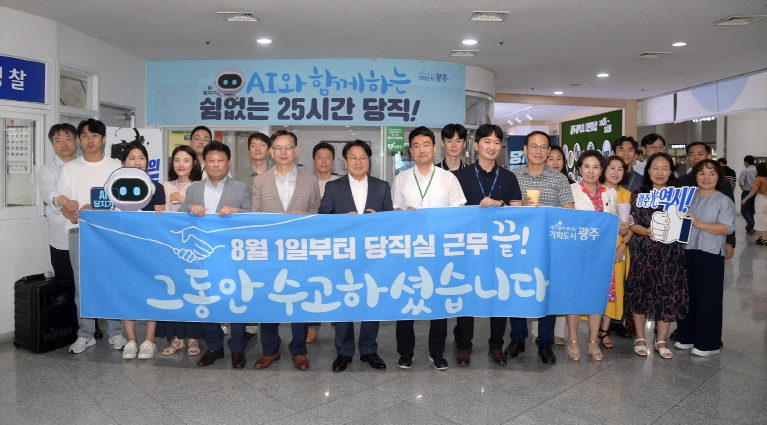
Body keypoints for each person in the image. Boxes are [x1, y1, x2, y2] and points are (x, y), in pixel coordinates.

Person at [391, 126, 466, 370]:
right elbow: (394, 213)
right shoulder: (401, 179)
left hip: (439, 250)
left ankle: (437, 352)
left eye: (426, 145)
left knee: (438, 301)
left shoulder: (448, 178)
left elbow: (458, 216)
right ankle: (405, 352)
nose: (421, 150)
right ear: (410, 150)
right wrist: (403, 214)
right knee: (407, 300)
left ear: (434, 148)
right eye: (416, 145)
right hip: (408, 250)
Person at [319, 140, 392, 372]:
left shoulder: (382, 187)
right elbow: (322, 219)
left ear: (369, 160)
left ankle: (369, 349)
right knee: (343, 302)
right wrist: (342, 221)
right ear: (345, 161)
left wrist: (378, 219)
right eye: (353, 157)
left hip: (373, 257)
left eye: (363, 157)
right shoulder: (333, 187)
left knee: (372, 300)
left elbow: (392, 223)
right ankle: (344, 351)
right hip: (343, 256)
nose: (358, 162)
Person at [55, 118, 127, 354]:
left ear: (103, 139)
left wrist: (98, 210)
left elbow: (122, 201)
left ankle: (116, 332)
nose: (90, 140)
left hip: (109, 233)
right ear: (79, 140)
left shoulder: (116, 166)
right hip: (80, 232)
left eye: (94, 135)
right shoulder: (69, 168)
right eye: (85, 135)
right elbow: (64, 203)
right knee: (82, 286)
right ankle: (85, 334)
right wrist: (71, 214)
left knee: (111, 283)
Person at [453, 124, 522, 367]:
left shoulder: (508, 177)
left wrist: (500, 205)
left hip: (499, 246)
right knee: (466, 293)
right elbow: (452, 213)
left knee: (499, 294)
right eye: (487, 141)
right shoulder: (460, 177)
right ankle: (464, 345)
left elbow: (518, 212)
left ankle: (496, 345)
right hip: (468, 247)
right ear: (476, 145)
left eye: (496, 142)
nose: (492, 147)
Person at [251, 130, 321, 371]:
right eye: (278, 147)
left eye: (288, 147)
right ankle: (270, 349)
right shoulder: (260, 181)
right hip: (268, 252)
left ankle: (299, 350)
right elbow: (255, 216)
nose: (283, 152)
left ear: (296, 151)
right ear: (271, 152)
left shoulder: (310, 180)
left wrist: (306, 216)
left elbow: (317, 213)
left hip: (299, 252)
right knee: (268, 299)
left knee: (298, 299)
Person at [179, 142, 252, 368]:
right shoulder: (194, 189)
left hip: (232, 257)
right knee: (207, 300)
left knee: (235, 303)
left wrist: (237, 211)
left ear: (228, 163)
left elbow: (252, 217)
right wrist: (190, 209)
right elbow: (179, 219)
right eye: (211, 160)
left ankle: (237, 349)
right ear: (204, 163)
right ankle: (214, 347)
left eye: (220, 160)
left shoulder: (240, 188)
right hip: (203, 256)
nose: (216, 164)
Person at [507, 131, 575, 365]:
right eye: (534, 146)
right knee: (517, 289)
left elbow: (570, 213)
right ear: (525, 149)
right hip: (519, 244)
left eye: (543, 147)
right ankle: (517, 338)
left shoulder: (559, 179)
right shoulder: (512, 176)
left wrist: (547, 209)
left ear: (549, 151)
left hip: (549, 246)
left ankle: (545, 342)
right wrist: (519, 206)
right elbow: (503, 211)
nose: (538, 151)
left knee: (547, 291)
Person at [625, 152, 688, 360]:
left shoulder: (679, 195)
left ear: (671, 172)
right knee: (640, 292)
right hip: (644, 251)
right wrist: (646, 231)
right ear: (648, 171)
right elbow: (632, 222)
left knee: (668, 293)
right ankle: (640, 337)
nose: (660, 173)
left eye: (665, 168)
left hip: (672, 253)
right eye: (655, 168)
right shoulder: (638, 194)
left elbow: (685, 222)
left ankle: (661, 339)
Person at [566, 151, 626, 361]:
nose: (591, 171)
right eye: (586, 166)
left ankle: (593, 340)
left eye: (595, 167)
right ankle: (573, 340)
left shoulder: (610, 193)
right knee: (574, 296)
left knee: (597, 297)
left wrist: (623, 228)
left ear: (601, 170)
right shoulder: (571, 191)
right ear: (579, 169)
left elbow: (615, 223)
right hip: (577, 253)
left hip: (602, 254)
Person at [674, 160, 735, 357]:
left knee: (708, 298)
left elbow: (727, 228)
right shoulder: (688, 197)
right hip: (688, 251)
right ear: (695, 176)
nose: (706, 177)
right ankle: (686, 337)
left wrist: (699, 224)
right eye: (701, 173)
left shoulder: (723, 200)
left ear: (719, 177)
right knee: (687, 295)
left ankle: (708, 343)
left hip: (710, 253)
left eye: (711, 173)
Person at [118, 142, 166, 359]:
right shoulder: (115, 187)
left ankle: (149, 339)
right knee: (126, 290)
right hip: (123, 248)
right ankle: (130, 339)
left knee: (150, 290)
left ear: (147, 162)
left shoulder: (157, 188)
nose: (137, 162)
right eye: (132, 158)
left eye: (141, 158)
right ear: (123, 162)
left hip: (149, 248)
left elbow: (159, 221)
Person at [156, 145, 205, 356]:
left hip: (193, 248)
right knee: (173, 291)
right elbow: (161, 217)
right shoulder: (164, 186)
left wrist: (185, 200)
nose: (181, 164)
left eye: (186, 160)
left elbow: (204, 215)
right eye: (177, 160)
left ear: (194, 163)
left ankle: (193, 337)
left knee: (193, 291)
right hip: (170, 247)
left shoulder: (201, 187)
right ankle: (176, 338)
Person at [233, 132, 271, 343]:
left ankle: (269, 324)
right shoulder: (238, 177)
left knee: (268, 282)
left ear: (269, 150)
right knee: (247, 282)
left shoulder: (277, 174)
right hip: (245, 238)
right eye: (253, 145)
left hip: (271, 239)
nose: (257, 148)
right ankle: (249, 324)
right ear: (249, 150)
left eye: (262, 144)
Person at [678, 142, 735, 260]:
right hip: (687, 246)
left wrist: (729, 242)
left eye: (700, 154)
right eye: (692, 154)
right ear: (687, 157)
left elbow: (729, 220)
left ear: (709, 156)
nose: (696, 157)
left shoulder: (723, 188)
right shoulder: (680, 182)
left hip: (711, 247)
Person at [599, 156, 634, 346]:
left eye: (620, 169)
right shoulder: (596, 191)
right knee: (597, 288)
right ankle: (593, 330)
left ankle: (604, 331)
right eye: (612, 168)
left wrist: (623, 246)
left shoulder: (628, 195)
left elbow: (632, 225)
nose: (616, 172)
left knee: (615, 290)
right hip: (597, 249)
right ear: (604, 170)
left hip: (619, 248)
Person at [39, 124, 79, 283]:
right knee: (66, 285)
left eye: (68, 139)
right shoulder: (47, 170)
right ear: (53, 144)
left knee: (89, 285)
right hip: (61, 239)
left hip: (88, 237)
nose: (63, 144)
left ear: (76, 141)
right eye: (58, 140)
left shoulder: (85, 166)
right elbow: (49, 192)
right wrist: (66, 203)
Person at [740, 162, 767, 245]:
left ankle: (764, 238)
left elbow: (754, 190)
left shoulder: (759, 178)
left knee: (760, 218)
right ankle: (760, 237)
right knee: (765, 217)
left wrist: (745, 199)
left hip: (761, 199)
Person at [739, 155, 758, 235]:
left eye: (744, 162)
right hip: (756, 192)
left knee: (744, 210)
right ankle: (749, 229)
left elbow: (740, 182)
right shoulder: (757, 170)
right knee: (751, 210)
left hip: (747, 192)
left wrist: (742, 187)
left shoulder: (745, 171)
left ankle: (751, 223)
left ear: (746, 162)